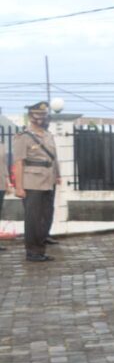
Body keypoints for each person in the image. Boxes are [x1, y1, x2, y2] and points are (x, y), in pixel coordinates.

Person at [12, 102, 60, 263]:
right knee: (33, 219)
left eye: (45, 115)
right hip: (32, 183)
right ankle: (33, 252)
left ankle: (40, 247)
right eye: (40, 115)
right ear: (32, 117)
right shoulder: (23, 136)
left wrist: (57, 175)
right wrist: (19, 187)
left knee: (45, 216)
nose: (44, 118)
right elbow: (19, 162)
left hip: (48, 181)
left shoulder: (48, 135)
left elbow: (53, 158)